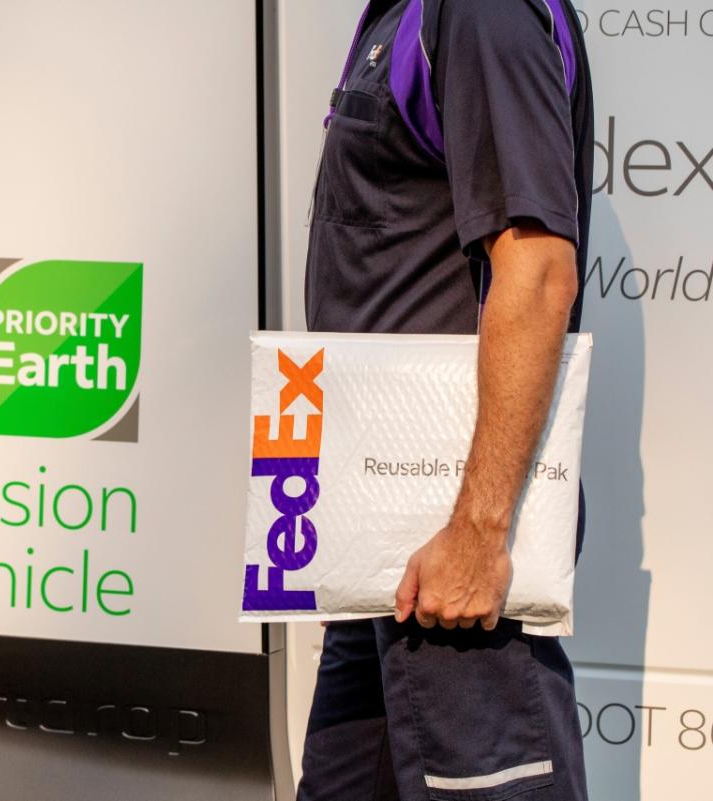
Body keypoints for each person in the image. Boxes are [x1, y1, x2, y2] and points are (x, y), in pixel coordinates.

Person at [298, 1, 594, 800]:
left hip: (455, 573)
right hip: (389, 559)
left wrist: (478, 529)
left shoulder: (481, 9)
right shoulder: (403, 12)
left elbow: (536, 274)